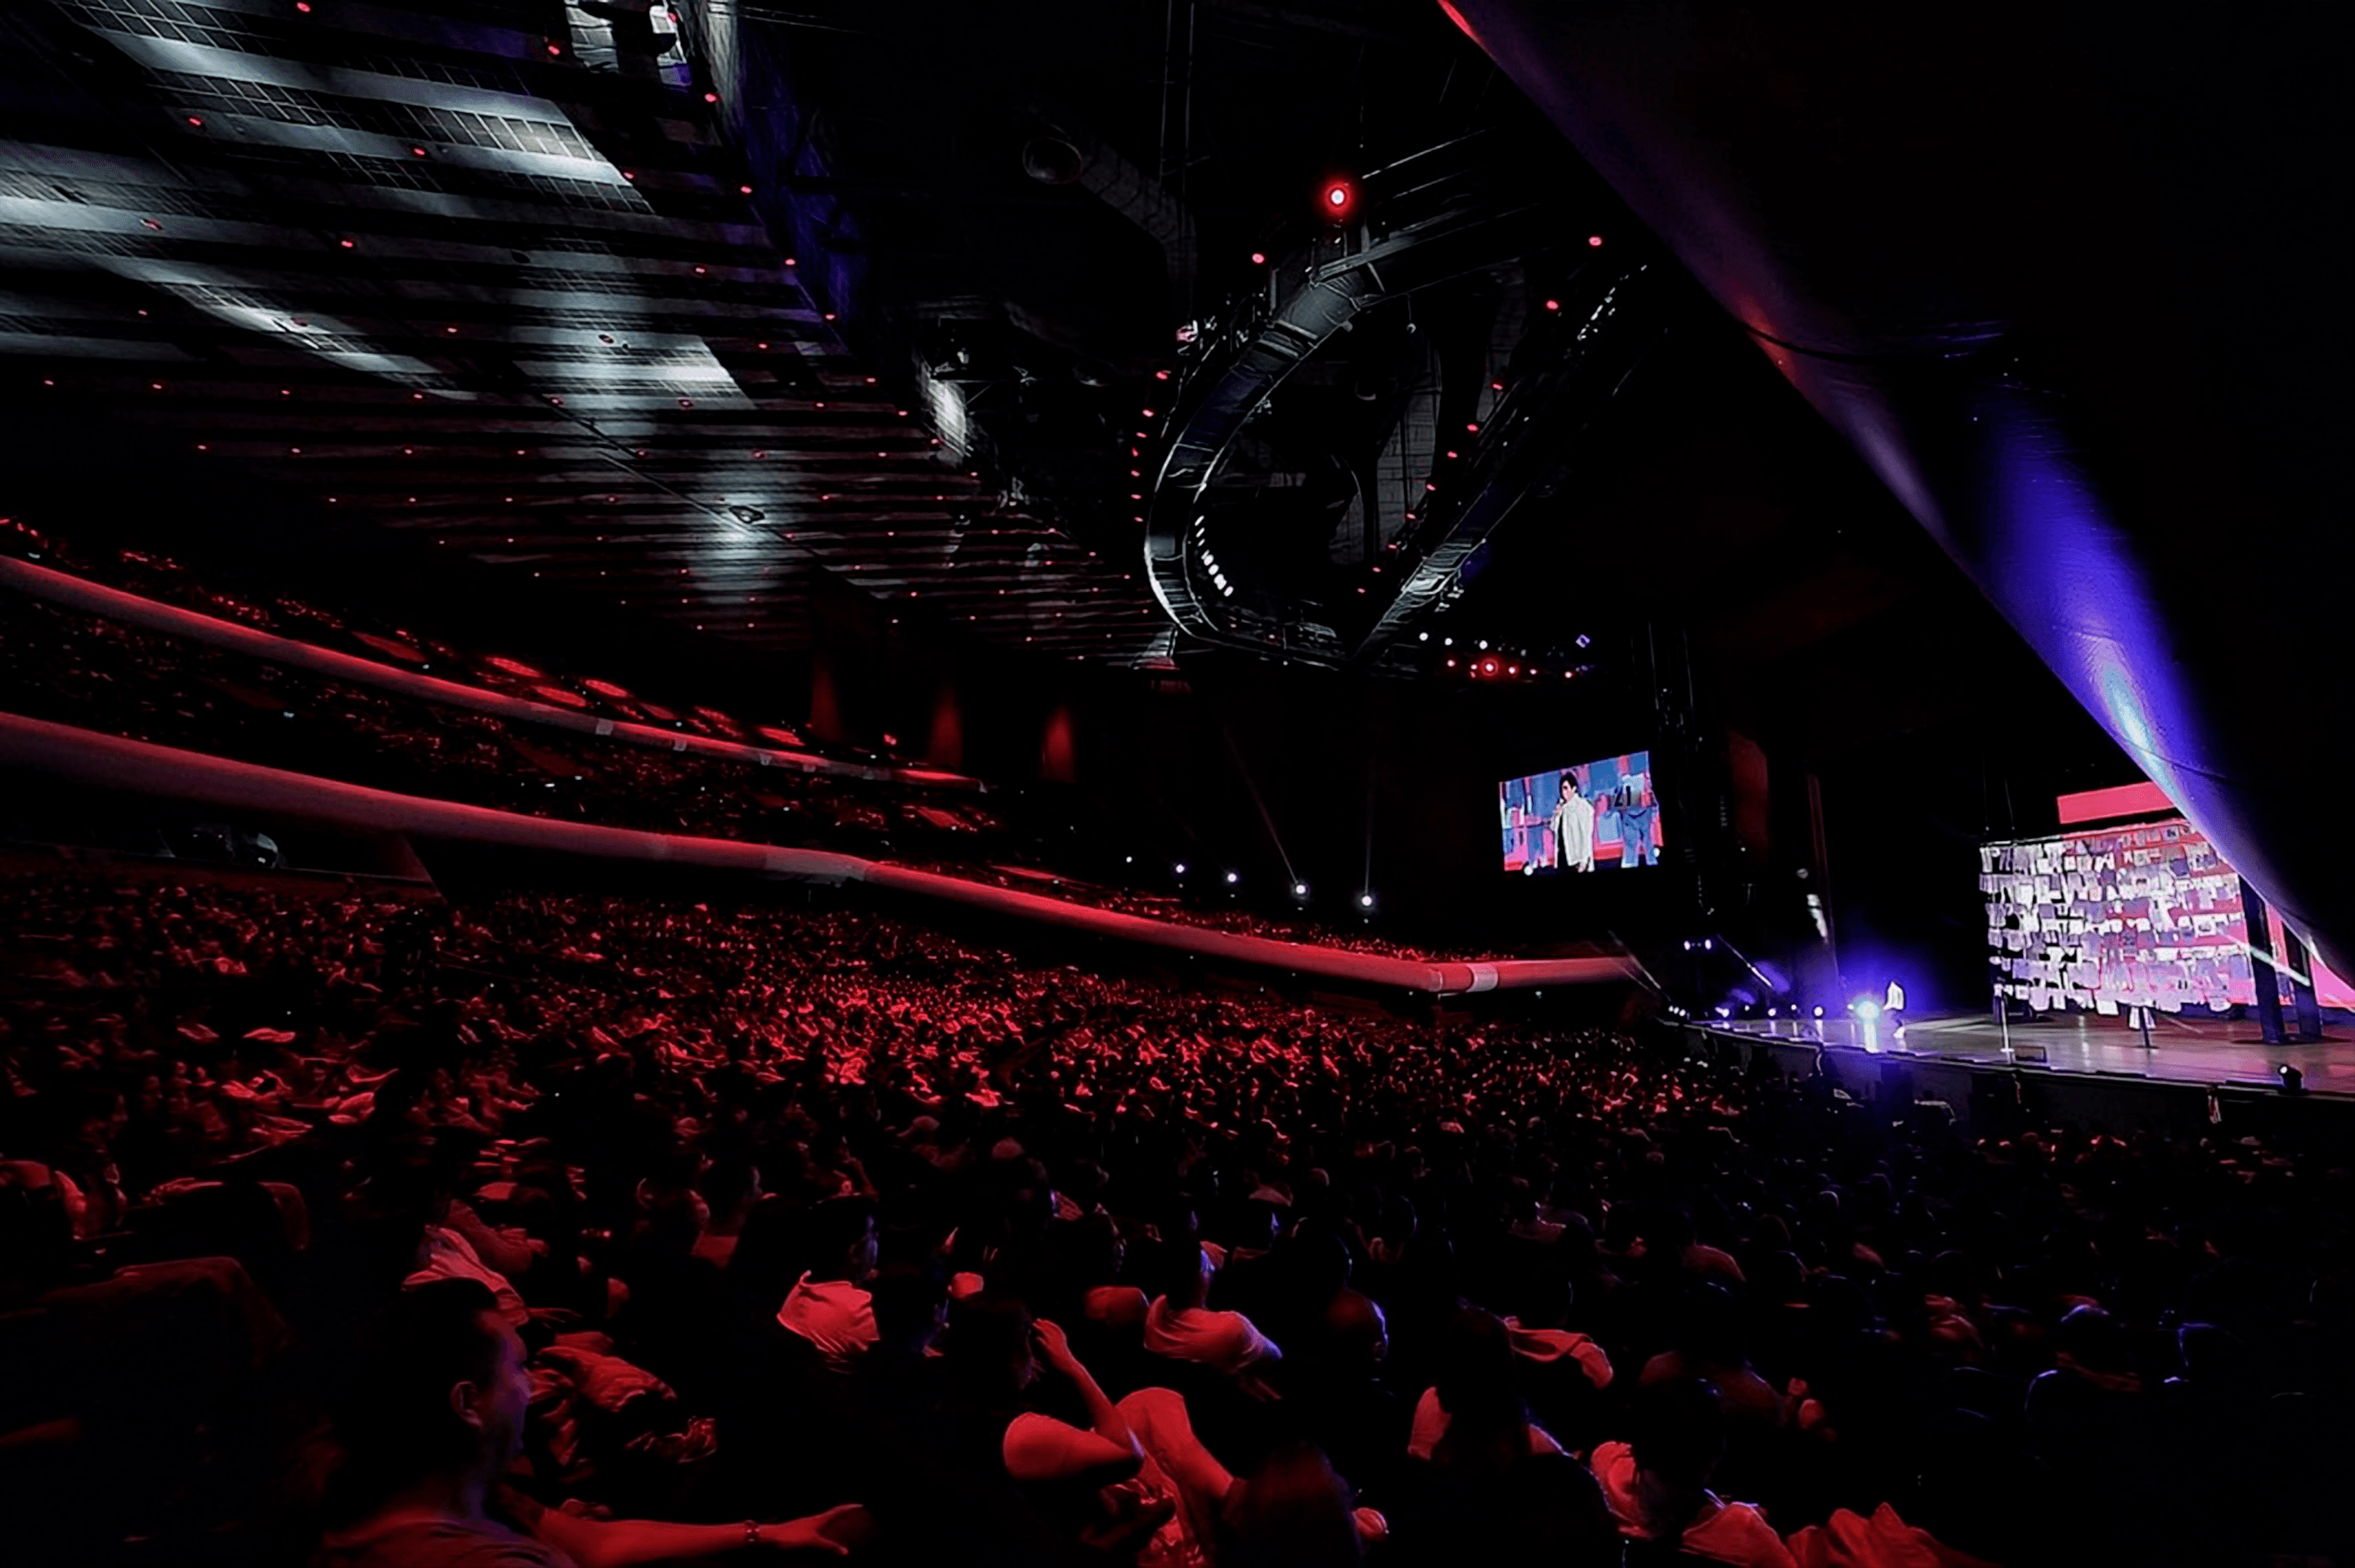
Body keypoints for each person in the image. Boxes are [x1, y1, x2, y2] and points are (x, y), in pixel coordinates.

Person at [322, 1279, 861, 1566]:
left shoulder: (440, 1482)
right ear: (467, 1404)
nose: (533, 1384)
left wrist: (766, 1535)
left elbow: (598, 1544)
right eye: (518, 1368)